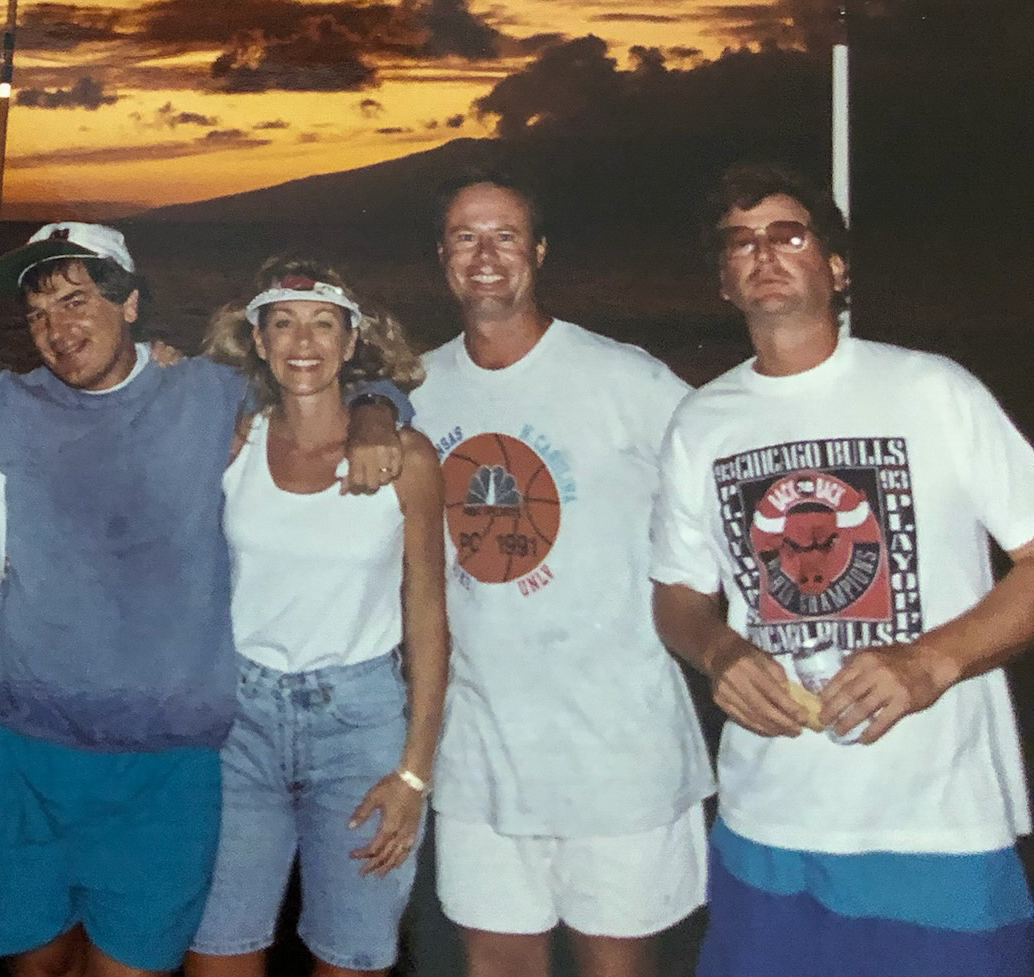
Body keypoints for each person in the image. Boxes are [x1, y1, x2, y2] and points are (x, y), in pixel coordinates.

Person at [0, 222, 410, 977]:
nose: (58, 329)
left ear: (129, 304)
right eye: (38, 314)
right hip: (24, 755)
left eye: (76, 300)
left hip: (164, 768)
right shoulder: (5, 408)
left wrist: (379, 409)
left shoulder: (209, 395)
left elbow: (321, 380)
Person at [650, 162, 1034, 977]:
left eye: (789, 234)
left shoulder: (931, 389)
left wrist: (931, 662)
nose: (765, 253)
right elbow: (678, 594)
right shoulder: (701, 421)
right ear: (724, 280)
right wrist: (719, 652)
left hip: (935, 827)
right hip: (765, 826)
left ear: (836, 266)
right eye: (740, 242)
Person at [410, 169, 714, 977]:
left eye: (505, 235)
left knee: (618, 964)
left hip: (619, 753)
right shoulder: (417, 388)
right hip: (480, 751)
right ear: (442, 257)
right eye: (466, 236)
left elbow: (729, 476)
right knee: (496, 961)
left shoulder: (625, 378)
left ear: (538, 253)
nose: (486, 255)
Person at [187, 258, 449, 977]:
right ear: (260, 342)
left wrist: (415, 773)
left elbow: (428, 618)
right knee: (218, 951)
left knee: (350, 958)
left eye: (322, 322)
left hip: (359, 727)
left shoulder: (408, 459)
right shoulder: (229, 446)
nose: (303, 341)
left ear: (351, 337)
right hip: (240, 723)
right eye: (283, 322)